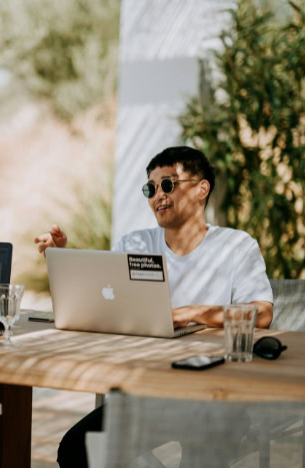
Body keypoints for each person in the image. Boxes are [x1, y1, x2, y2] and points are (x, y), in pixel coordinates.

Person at [34, 146, 273, 468]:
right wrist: (64, 259)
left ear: (202, 188)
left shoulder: (236, 246)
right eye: (151, 188)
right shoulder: (135, 244)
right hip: (147, 394)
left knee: (202, 454)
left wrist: (189, 313)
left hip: (218, 397)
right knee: (76, 450)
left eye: (168, 184)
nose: (158, 195)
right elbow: (101, 302)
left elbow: (263, 313)